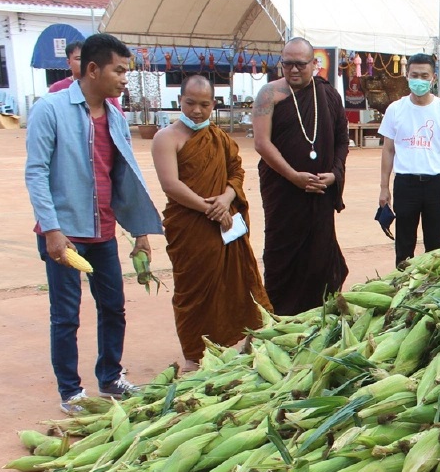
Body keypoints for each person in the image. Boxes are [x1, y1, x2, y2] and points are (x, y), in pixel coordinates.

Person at [25, 33, 162, 414]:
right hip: (64, 235)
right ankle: (71, 392)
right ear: (92, 69)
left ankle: (111, 377)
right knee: (66, 315)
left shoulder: (116, 117)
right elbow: (36, 173)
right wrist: (51, 230)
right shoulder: (49, 110)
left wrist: (140, 233)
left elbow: (125, 177)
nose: (124, 79)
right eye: (119, 71)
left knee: (113, 307)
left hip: (102, 233)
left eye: (126, 72)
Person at [151, 74, 272, 372]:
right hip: (190, 227)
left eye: (204, 105)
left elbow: (237, 174)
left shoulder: (221, 139)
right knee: (193, 290)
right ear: (180, 101)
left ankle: (244, 341)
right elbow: (171, 185)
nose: (196, 111)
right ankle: (194, 355)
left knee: (239, 282)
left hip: (224, 222)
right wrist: (210, 207)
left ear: (213, 104)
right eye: (190, 103)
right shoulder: (166, 138)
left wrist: (227, 199)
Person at [251, 37, 350, 315]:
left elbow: (342, 141)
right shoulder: (268, 95)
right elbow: (262, 143)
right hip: (283, 193)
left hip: (319, 192)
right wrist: (293, 176)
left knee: (320, 257)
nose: (294, 70)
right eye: (288, 64)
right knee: (281, 254)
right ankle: (280, 319)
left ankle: (318, 320)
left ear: (314, 65)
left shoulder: (328, 95)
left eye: (301, 64)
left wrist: (334, 174)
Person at [378, 53, 440, 267]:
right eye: (414, 75)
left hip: (435, 184)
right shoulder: (395, 109)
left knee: (435, 244)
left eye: (424, 75)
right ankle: (402, 285)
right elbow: (388, 150)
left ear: (433, 78)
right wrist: (384, 188)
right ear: (407, 76)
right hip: (405, 184)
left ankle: (432, 290)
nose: (419, 80)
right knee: (404, 244)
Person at [49, 40, 122, 110]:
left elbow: (119, 119)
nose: (85, 63)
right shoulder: (56, 89)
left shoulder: (103, 86)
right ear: (69, 62)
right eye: (79, 59)